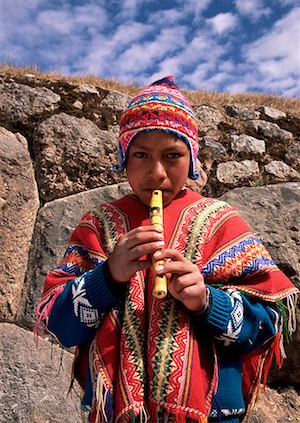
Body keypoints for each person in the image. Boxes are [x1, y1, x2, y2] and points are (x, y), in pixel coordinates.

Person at [36, 76, 299, 423]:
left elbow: (267, 324)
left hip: (211, 415)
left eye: (172, 156)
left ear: (191, 160)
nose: (156, 172)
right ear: (123, 159)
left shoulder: (222, 222)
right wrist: (108, 277)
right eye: (141, 155)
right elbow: (60, 325)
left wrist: (206, 301)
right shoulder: (98, 224)